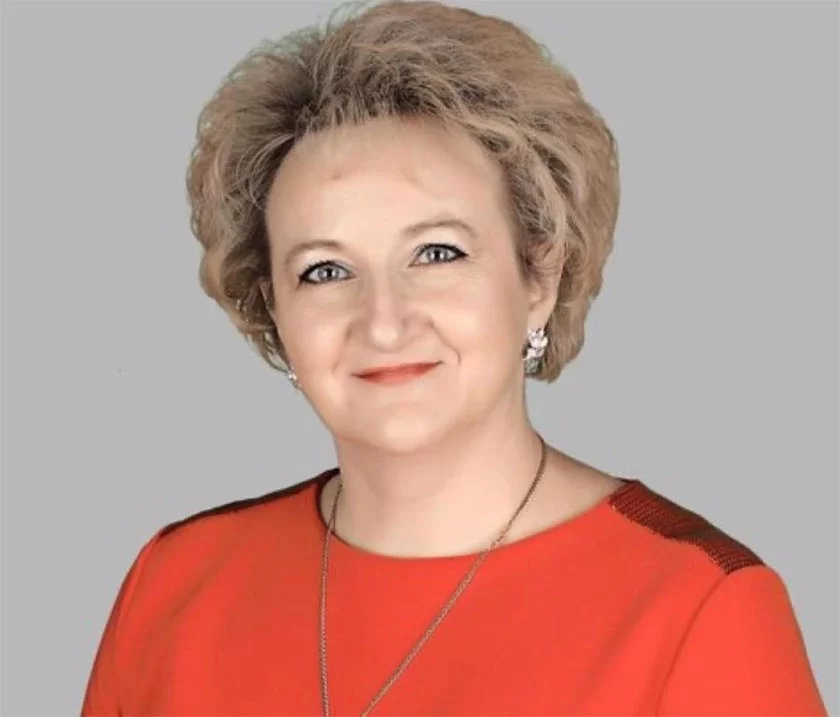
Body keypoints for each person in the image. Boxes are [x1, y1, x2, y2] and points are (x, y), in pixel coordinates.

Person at [81, 1, 828, 715]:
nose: (384, 321)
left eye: (437, 253)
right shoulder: (175, 588)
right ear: (272, 306)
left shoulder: (699, 607)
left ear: (539, 277)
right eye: (325, 270)